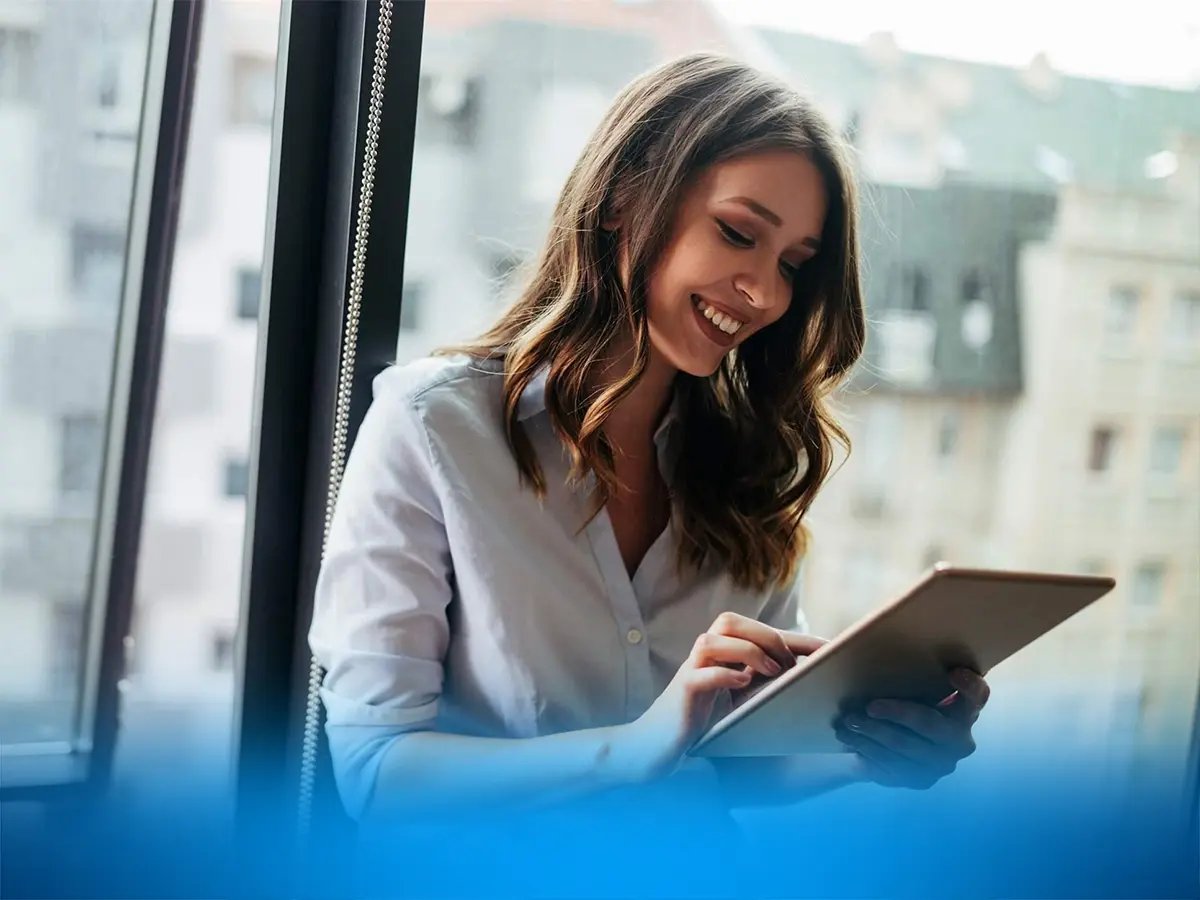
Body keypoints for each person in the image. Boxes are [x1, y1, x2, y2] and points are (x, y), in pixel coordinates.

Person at [307, 51, 989, 893]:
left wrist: (875, 747)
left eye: (793, 262)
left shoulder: (749, 469)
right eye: (740, 232)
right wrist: (631, 750)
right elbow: (375, 773)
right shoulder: (432, 426)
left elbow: (738, 759)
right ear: (630, 196)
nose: (765, 293)